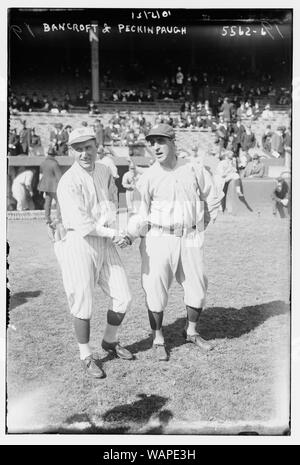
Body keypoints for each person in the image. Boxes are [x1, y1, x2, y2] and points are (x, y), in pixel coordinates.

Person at [126, 124, 223, 361]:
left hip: (190, 236)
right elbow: (140, 212)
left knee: (197, 287)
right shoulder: (148, 177)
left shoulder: (193, 169)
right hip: (159, 236)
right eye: (151, 143)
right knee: (155, 288)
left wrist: (201, 225)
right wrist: (130, 233)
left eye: (160, 141)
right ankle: (158, 338)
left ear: (173, 141)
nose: (155, 147)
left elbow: (212, 198)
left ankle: (190, 331)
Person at [53, 127, 133, 379]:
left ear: (96, 147)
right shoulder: (68, 181)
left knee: (124, 296)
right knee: (83, 302)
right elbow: (84, 224)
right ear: (70, 151)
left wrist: (117, 230)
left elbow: (110, 205)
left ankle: (109, 341)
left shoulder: (104, 170)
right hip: (79, 243)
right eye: (78, 149)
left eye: (88, 147)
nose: (84, 153)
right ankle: (85, 355)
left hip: (105, 239)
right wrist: (113, 234)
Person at [37, 143, 62, 228]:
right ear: (54, 155)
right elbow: (59, 177)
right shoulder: (55, 164)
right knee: (59, 202)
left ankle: (47, 218)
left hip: (46, 186)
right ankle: (58, 217)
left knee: (47, 202)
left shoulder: (43, 163)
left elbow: (40, 175)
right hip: (54, 186)